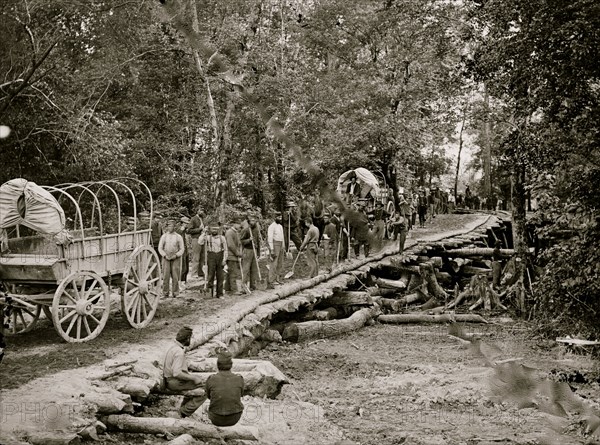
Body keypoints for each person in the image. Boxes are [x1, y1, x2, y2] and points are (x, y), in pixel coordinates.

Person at [163, 326, 206, 418]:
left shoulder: (173, 346)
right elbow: (177, 373)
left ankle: (184, 408)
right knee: (205, 389)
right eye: (191, 338)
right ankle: (183, 412)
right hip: (174, 382)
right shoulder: (179, 352)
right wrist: (194, 378)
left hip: (169, 379)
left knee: (194, 382)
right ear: (187, 338)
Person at [205, 350, 244, 427]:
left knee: (206, 407)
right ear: (231, 365)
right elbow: (240, 395)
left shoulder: (211, 379)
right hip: (234, 419)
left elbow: (209, 397)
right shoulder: (239, 379)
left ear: (217, 365)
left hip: (216, 419)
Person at [158, 220, 185, 298]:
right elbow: (160, 248)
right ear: (166, 227)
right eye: (169, 226)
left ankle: (175, 293)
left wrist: (176, 255)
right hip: (166, 258)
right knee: (165, 276)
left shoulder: (178, 237)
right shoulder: (164, 236)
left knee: (175, 276)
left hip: (175, 258)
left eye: (172, 226)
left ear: (174, 227)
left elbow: (182, 249)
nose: (170, 228)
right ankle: (165, 293)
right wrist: (164, 255)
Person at [199, 225, 228, 298]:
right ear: (210, 230)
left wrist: (225, 259)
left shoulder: (222, 238)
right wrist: (203, 232)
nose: (214, 231)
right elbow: (200, 242)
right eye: (212, 229)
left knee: (220, 276)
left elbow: (226, 249)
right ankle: (209, 293)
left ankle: (219, 294)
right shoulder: (208, 237)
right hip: (211, 257)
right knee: (210, 275)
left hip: (220, 257)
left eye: (216, 229)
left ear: (218, 230)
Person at [239, 215, 260, 291]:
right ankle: (243, 286)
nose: (253, 222)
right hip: (247, 251)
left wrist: (258, 253)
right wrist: (248, 240)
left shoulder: (256, 230)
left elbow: (258, 242)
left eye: (254, 221)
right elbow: (241, 241)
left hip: (254, 251)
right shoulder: (246, 230)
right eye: (251, 220)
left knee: (254, 269)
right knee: (246, 269)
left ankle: (252, 285)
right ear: (249, 222)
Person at [225, 218, 244, 295]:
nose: (240, 226)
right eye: (239, 224)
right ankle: (234, 290)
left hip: (234, 255)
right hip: (231, 255)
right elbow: (230, 245)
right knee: (233, 273)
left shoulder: (235, 232)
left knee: (230, 273)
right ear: (234, 224)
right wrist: (238, 253)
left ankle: (227, 288)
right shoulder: (230, 232)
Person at [267, 212, 285, 288]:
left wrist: (283, 246)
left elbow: (282, 237)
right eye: (278, 217)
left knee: (280, 262)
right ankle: (271, 280)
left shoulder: (280, 226)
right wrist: (272, 249)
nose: (280, 219)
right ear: (275, 218)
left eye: (281, 217)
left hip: (280, 244)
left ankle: (278, 278)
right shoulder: (271, 227)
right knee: (274, 262)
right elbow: (270, 238)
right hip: (275, 245)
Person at [188, 209, 205, 279]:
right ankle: (194, 273)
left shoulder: (202, 219)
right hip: (196, 239)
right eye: (200, 210)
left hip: (203, 239)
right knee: (196, 256)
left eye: (203, 211)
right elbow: (189, 230)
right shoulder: (193, 219)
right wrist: (199, 229)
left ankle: (200, 272)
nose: (202, 212)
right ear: (197, 211)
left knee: (202, 256)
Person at [177, 216, 190, 290]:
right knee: (183, 266)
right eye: (185, 223)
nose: (186, 225)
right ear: (182, 223)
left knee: (187, 267)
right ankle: (181, 282)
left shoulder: (185, 230)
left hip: (186, 249)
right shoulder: (179, 230)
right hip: (181, 249)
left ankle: (184, 281)